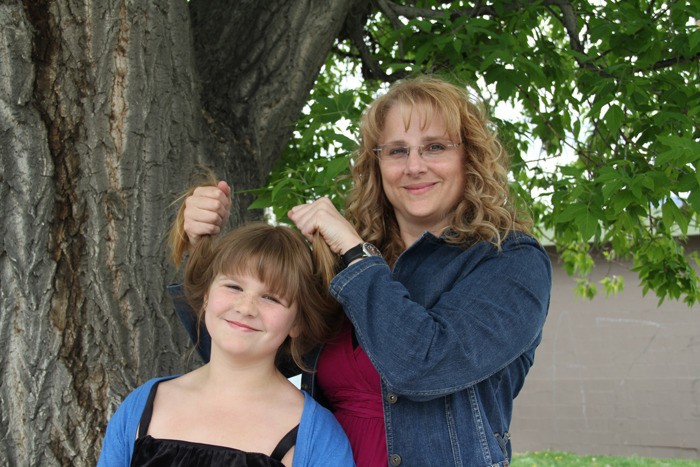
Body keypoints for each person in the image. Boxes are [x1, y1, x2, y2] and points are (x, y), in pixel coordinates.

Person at [177, 76, 552, 466]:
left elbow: (423, 368)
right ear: (377, 165)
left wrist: (356, 255)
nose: (414, 166)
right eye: (396, 151)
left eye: (435, 147)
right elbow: (245, 353)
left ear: (469, 157)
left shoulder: (509, 261)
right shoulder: (343, 261)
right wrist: (200, 244)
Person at [98, 219, 355, 466]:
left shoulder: (319, 436)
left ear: (297, 323)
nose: (246, 308)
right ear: (206, 295)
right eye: (233, 286)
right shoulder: (143, 404)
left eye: (271, 298)